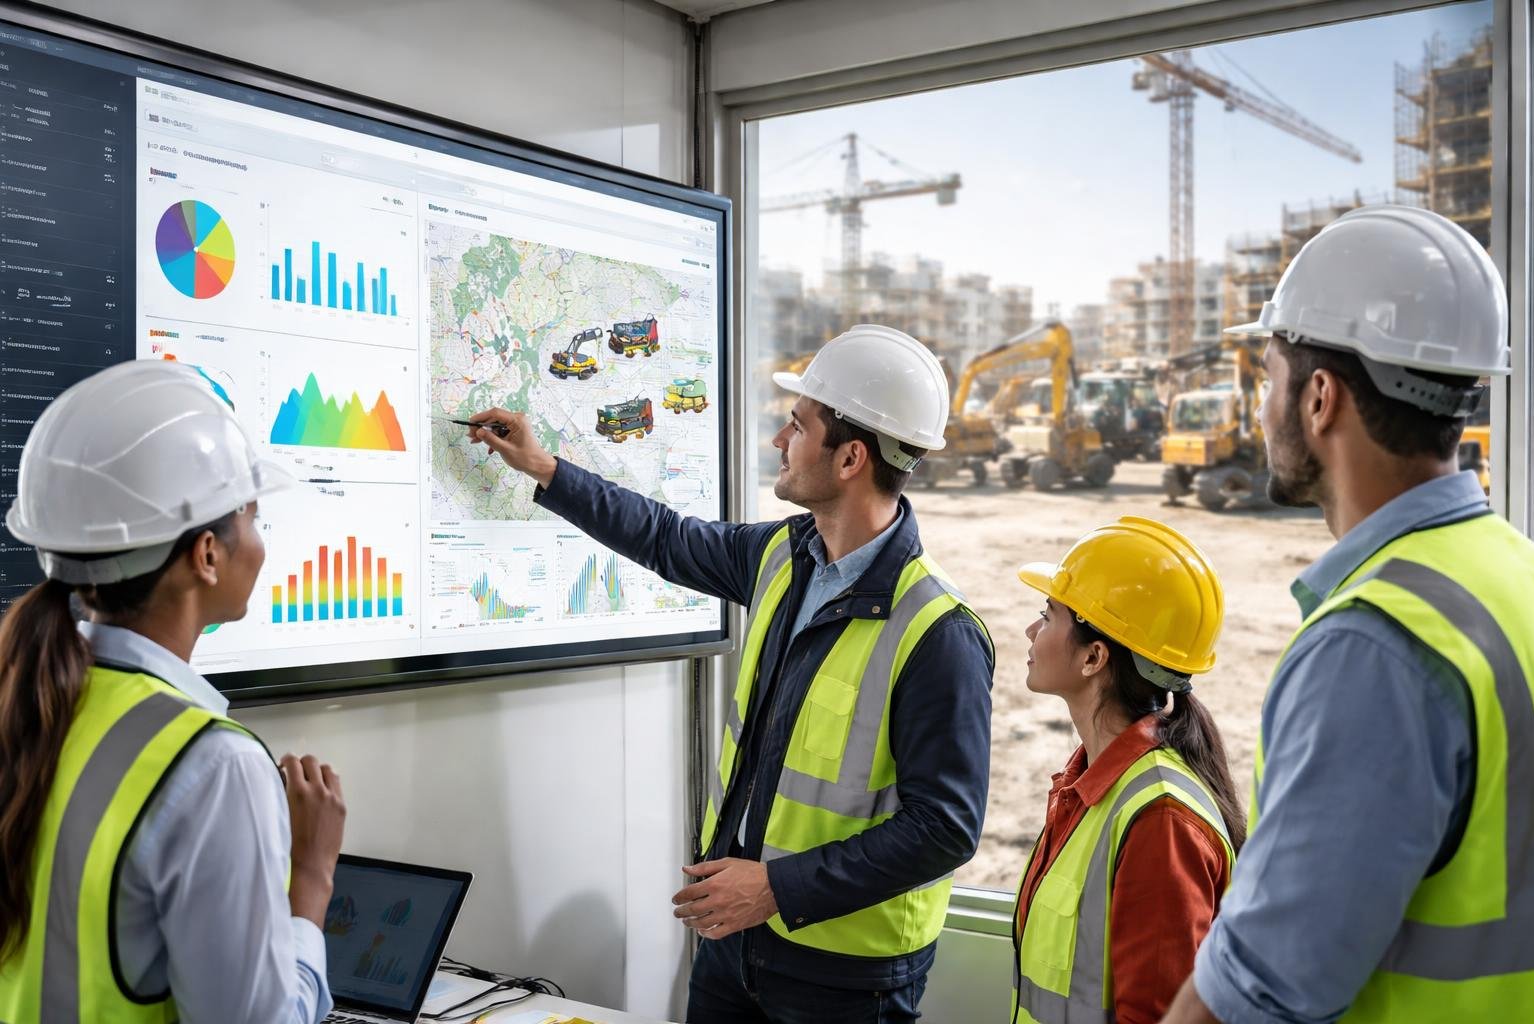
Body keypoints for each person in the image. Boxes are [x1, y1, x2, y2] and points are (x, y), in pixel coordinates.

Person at [468, 324, 994, 1024]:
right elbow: (664, 537)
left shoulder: (938, 633)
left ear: (850, 460)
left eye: (799, 425)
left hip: (846, 981)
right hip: (734, 945)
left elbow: (944, 829)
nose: (781, 439)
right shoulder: (785, 555)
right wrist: (545, 469)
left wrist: (778, 888)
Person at [1161, 205, 1534, 1023]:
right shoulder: (1515, 571)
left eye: (1267, 379)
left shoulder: (1375, 646)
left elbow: (1258, 988)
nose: (1261, 408)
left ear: (1320, 397)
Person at [0, 361, 347, 1023]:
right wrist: (311, 877)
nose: (262, 544)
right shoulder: (215, 767)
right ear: (207, 554)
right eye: (253, 517)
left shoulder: (26, 698)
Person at [1012, 517, 1242, 1024]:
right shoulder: (1093, 783)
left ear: (1094, 656)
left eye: (1048, 615)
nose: (1031, 630)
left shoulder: (1161, 821)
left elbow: (1157, 1012)